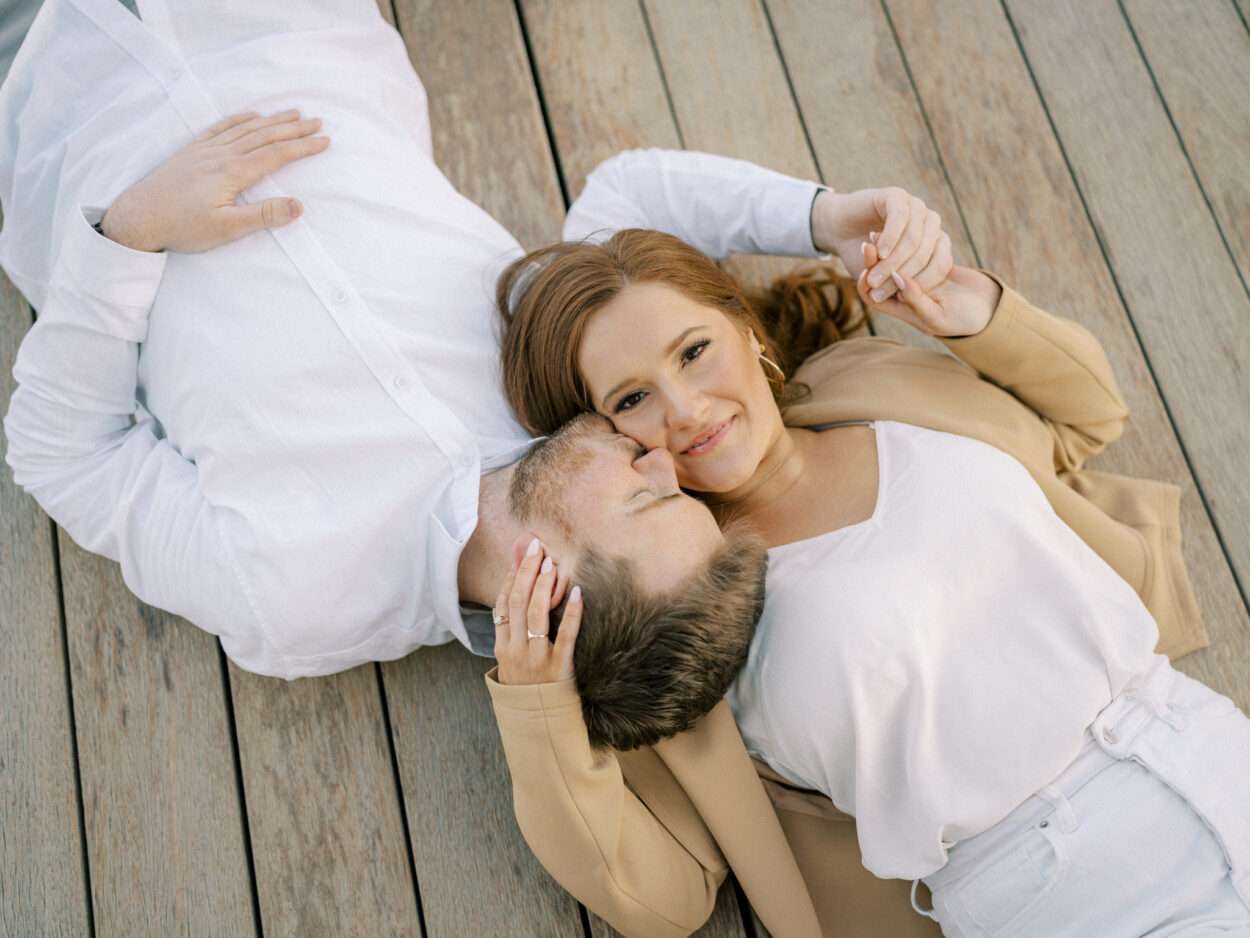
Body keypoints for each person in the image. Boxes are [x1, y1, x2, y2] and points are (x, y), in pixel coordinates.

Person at [2, 3, 953, 930]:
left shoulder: (295, 593)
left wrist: (130, 234)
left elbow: (63, 455)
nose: (663, 463)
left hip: (43, 101)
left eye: (649, 502)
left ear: (545, 596)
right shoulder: (554, 391)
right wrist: (819, 214)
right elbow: (624, 203)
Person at [485, 220, 1250, 936]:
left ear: (747, 333)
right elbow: (659, 899)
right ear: (599, 435)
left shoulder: (863, 384)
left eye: (692, 352)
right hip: (1058, 886)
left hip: (1202, 744)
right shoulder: (681, 620)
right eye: (632, 399)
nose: (684, 410)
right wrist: (535, 710)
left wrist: (968, 308)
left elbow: (1090, 416)